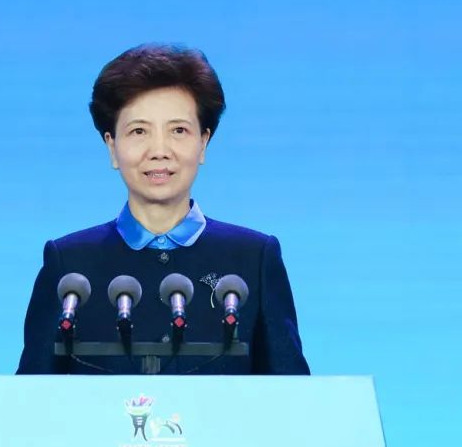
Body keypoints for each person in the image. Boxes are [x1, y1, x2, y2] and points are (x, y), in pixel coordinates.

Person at [16, 44, 309, 375]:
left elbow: (292, 391)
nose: (159, 150)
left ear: (203, 143)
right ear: (112, 146)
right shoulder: (69, 264)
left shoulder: (253, 258)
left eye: (178, 130)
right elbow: (31, 393)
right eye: (139, 131)